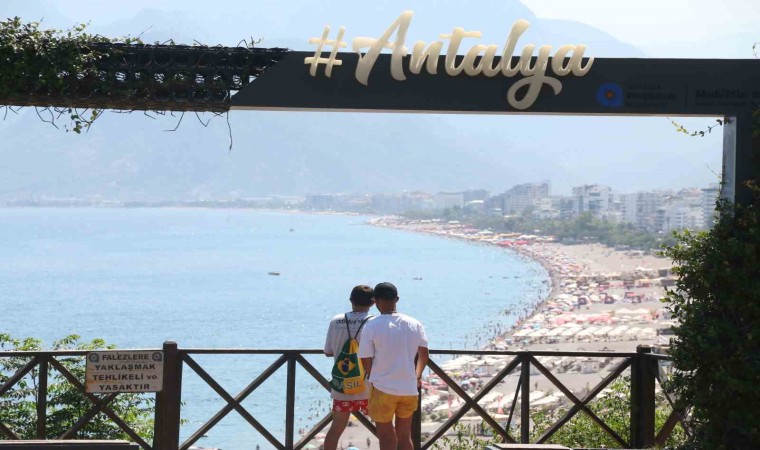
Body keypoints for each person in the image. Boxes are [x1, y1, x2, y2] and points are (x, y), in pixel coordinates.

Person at [358, 282, 429, 450]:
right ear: (397, 299)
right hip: (408, 388)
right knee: (405, 436)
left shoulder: (372, 325)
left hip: (382, 387)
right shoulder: (414, 323)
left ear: (375, 301)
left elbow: (365, 357)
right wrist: (417, 376)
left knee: (386, 436)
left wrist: (372, 376)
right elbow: (424, 354)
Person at [323, 285, 375, 450]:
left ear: (351, 300)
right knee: (383, 426)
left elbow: (328, 352)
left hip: (343, 385)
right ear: (373, 302)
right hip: (369, 385)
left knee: (336, 428)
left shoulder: (336, 321)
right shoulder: (374, 322)